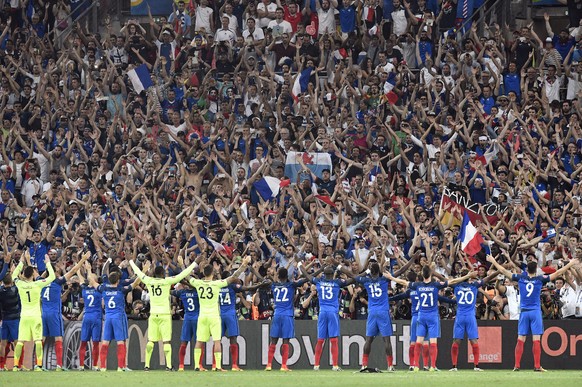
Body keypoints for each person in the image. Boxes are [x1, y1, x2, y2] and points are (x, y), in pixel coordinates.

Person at [486, 255, 579, 371]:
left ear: (526, 270)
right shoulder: (540, 279)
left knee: (520, 339)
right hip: (535, 312)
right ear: (536, 270)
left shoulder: (520, 278)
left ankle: (516, 366)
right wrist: (570, 264)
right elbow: (558, 272)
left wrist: (493, 261)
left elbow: (503, 270)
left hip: (524, 313)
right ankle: (537, 366)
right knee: (536, 339)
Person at [386, 265, 475, 371]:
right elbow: (452, 281)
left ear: (422, 274)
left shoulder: (417, 285)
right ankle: (432, 366)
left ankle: (416, 366)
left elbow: (403, 282)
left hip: (421, 316)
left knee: (418, 341)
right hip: (432, 316)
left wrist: (391, 278)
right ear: (431, 274)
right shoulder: (435, 285)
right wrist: (467, 276)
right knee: (433, 342)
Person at [130, 257, 198, 371]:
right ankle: (169, 366)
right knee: (166, 341)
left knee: (151, 340)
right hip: (165, 314)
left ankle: (147, 365)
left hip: (153, 314)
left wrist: (131, 261)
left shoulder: (149, 281)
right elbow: (182, 275)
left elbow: (137, 272)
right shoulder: (167, 281)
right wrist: (194, 263)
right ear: (162, 274)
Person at [189, 256, 251, 371]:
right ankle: (217, 366)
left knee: (199, 341)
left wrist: (184, 264)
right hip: (214, 316)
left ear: (203, 272)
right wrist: (244, 265)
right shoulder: (217, 284)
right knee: (217, 340)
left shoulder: (197, 283)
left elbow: (187, 276)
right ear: (213, 273)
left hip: (202, 316)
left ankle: (197, 365)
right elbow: (234, 277)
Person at [339, 261, 395, 371]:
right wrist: (412, 259)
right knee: (386, 340)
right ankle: (390, 366)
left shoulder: (366, 281)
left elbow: (352, 275)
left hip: (372, 312)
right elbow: (401, 271)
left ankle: (364, 365)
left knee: (368, 340)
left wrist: (339, 266)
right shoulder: (384, 279)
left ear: (371, 271)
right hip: (383, 311)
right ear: (378, 271)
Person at [298, 261, 353, 371]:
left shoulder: (318, 281)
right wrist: (340, 267)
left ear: (324, 273)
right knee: (333, 339)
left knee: (320, 340)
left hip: (322, 312)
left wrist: (300, 265)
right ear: (333, 274)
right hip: (332, 312)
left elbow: (306, 275)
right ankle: (335, 365)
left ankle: (316, 365)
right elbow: (353, 278)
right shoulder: (337, 282)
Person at [41, 252, 89, 370]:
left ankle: (38, 364)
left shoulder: (41, 282)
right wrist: (83, 259)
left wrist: (47, 265)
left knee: (42, 339)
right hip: (54, 314)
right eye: (57, 270)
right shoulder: (57, 281)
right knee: (58, 339)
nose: (59, 271)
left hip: (43, 314)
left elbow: (40, 275)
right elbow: (73, 271)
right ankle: (58, 365)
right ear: (55, 273)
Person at [12, 253, 55, 372]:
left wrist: (21, 262)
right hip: (36, 316)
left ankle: (15, 366)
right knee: (37, 340)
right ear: (32, 275)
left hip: (24, 316)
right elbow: (52, 277)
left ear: (24, 275)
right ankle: (39, 366)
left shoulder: (20, 284)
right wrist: (48, 263)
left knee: (20, 341)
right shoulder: (37, 284)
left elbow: (13, 275)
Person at [449, 268, 499, 371]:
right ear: (469, 277)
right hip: (470, 316)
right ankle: (476, 366)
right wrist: (499, 271)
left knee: (456, 341)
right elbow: (488, 278)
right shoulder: (474, 285)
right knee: (474, 341)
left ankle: (454, 366)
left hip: (460, 316)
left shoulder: (456, 286)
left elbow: (443, 279)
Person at [98, 267, 142, 371]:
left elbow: (93, 282)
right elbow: (135, 283)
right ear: (118, 281)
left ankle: (103, 367)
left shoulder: (104, 289)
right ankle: (120, 367)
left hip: (108, 317)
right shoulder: (121, 290)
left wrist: (88, 270)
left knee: (105, 342)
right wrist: (143, 271)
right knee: (120, 342)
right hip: (118, 317)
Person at [265, 267, 308, 371]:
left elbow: (262, 279)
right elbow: (306, 279)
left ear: (278, 276)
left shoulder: (274, 285)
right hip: (287, 315)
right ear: (287, 276)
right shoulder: (292, 285)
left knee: (273, 340)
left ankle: (269, 365)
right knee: (286, 341)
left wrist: (253, 270)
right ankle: (283, 365)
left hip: (277, 314)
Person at [77, 260, 103, 371]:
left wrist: (78, 270)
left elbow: (81, 280)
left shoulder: (85, 289)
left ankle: (81, 365)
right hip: (96, 318)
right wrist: (87, 270)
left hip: (87, 317)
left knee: (83, 342)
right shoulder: (99, 291)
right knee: (95, 343)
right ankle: (95, 365)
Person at [174, 282, 203, 371]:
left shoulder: (182, 292)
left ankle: (181, 366)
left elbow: (171, 292)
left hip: (187, 318)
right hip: (197, 318)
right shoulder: (197, 292)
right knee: (199, 343)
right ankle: (198, 365)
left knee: (184, 343)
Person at [0, 255, 21, 371]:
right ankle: (16, 365)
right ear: (11, 281)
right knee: (17, 342)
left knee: (2, 343)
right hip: (15, 319)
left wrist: (6, 266)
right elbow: (17, 282)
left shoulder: (0, 292)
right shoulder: (15, 290)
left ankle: (1, 366)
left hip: (5, 319)